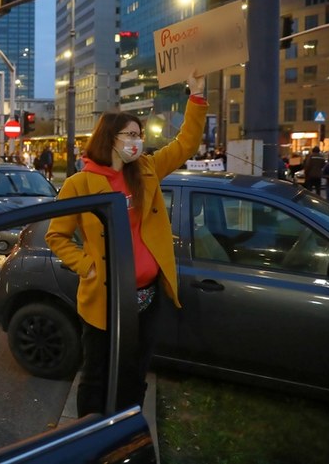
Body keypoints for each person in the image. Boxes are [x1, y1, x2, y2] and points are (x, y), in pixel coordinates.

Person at [44, 74, 207, 416]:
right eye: (130, 135)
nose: (137, 142)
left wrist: (197, 95)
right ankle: (89, 433)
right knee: (96, 374)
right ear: (110, 139)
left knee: (135, 372)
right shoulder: (80, 183)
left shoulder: (146, 169)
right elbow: (57, 236)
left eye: (139, 135)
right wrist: (86, 265)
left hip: (148, 297)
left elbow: (185, 145)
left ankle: (126, 433)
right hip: (104, 299)